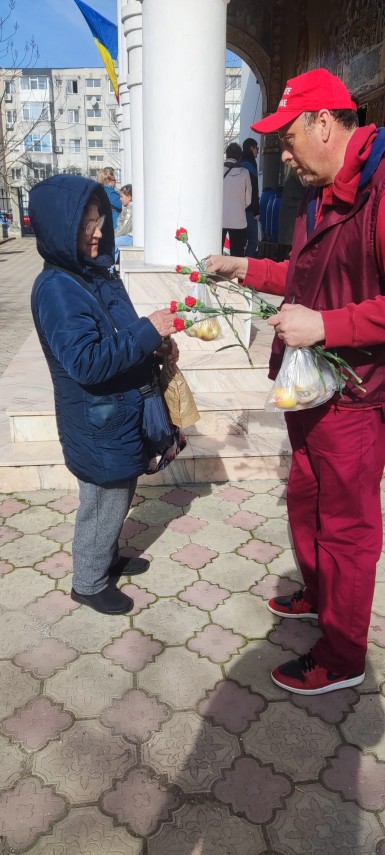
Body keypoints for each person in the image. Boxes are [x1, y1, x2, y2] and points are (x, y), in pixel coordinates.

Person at [206, 67, 385, 695]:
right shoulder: (321, 195)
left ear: (325, 123)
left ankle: (342, 655)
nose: (282, 153)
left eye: (288, 137)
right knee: (305, 498)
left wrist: (329, 326)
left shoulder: (380, 189)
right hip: (310, 392)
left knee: (347, 525)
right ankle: (317, 595)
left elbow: (326, 309)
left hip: (356, 397)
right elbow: (303, 279)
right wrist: (246, 267)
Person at [29, 174, 180, 616]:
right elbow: (88, 362)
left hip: (116, 414)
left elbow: (122, 335)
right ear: (59, 229)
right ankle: (89, 582)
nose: (96, 232)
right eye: (84, 225)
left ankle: (106, 557)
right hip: (97, 420)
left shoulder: (95, 272)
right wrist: (149, 329)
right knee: (103, 499)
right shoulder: (57, 288)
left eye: (99, 221)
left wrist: (154, 343)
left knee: (119, 490)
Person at [222, 142, 252, 257]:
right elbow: (248, 199)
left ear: (226, 154)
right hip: (238, 221)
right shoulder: (245, 173)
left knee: (215, 252)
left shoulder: (216, 171)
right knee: (237, 254)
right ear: (239, 156)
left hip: (219, 220)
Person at [239, 137, 260, 257]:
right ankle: (247, 267)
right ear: (251, 148)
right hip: (250, 209)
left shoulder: (240, 162)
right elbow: (254, 190)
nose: (257, 151)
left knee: (241, 241)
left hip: (238, 209)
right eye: (256, 148)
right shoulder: (251, 164)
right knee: (253, 240)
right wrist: (256, 210)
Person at [114, 183, 133, 263]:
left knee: (113, 243)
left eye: (122, 196)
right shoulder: (128, 208)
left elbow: (124, 228)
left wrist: (113, 235)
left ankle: (110, 268)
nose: (120, 199)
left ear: (129, 197)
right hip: (128, 236)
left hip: (130, 237)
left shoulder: (129, 210)